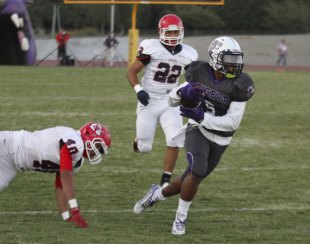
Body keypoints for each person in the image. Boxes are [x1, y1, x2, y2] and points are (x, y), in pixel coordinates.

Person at [133, 36, 255, 235]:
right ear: (215, 58)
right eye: (229, 59)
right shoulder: (199, 72)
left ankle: (157, 194)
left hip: (221, 138)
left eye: (236, 59)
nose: (234, 65)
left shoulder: (241, 84)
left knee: (185, 182)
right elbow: (172, 101)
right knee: (197, 170)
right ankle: (180, 219)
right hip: (197, 130)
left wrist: (202, 116)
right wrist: (182, 93)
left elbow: (232, 122)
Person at [127, 14, 198, 188]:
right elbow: (131, 72)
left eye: (176, 33)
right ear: (161, 32)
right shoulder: (151, 47)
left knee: (175, 139)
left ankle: (165, 180)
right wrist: (139, 90)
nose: (173, 36)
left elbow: (192, 79)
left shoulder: (189, 54)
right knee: (145, 148)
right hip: (149, 99)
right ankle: (138, 141)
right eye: (170, 32)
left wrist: (187, 92)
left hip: (171, 100)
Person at [0, 122, 111, 228]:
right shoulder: (75, 141)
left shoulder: (77, 160)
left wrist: (66, 216)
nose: (96, 151)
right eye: (98, 146)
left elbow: (60, 184)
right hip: (8, 145)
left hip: (12, 165)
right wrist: (75, 210)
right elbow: (65, 174)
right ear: (88, 134)